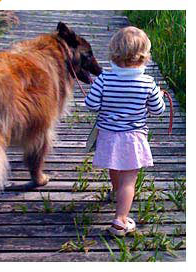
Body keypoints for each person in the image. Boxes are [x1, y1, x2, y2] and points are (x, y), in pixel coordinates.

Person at [84, 26, 166, 236]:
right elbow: (158, 109)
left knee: (115, 168)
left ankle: (115, 192)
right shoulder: (148, 82)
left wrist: (97, 90)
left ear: (114, 52)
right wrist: (159, 95)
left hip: (109, 136)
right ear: (145, 56)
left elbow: (91, 105)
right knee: (129, 178)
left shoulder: (104, 79)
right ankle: (120, 220)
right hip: (133, 137)